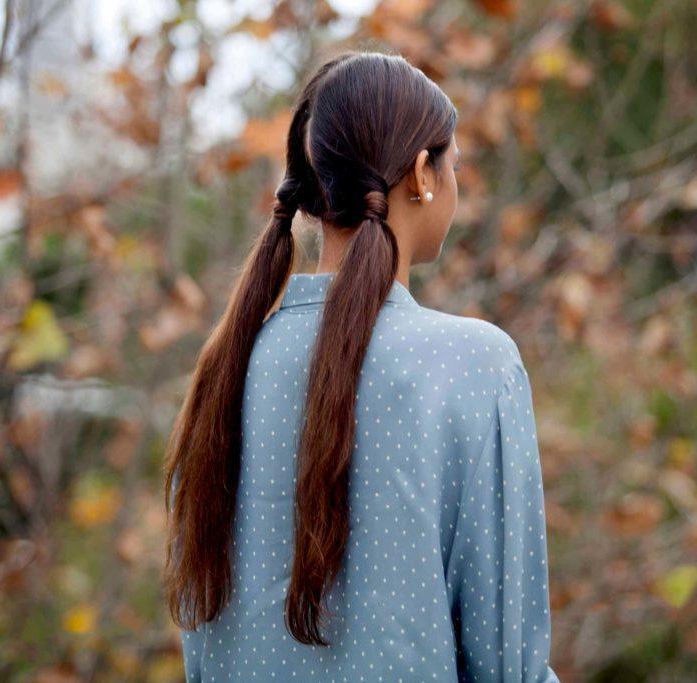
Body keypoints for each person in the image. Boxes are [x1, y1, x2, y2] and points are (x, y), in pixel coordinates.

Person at [163, 50, 561, 683]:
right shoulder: (472, 365)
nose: (455, 185)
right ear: (422, 175)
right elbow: (508, 664)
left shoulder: (227, 369)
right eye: (454, 166)